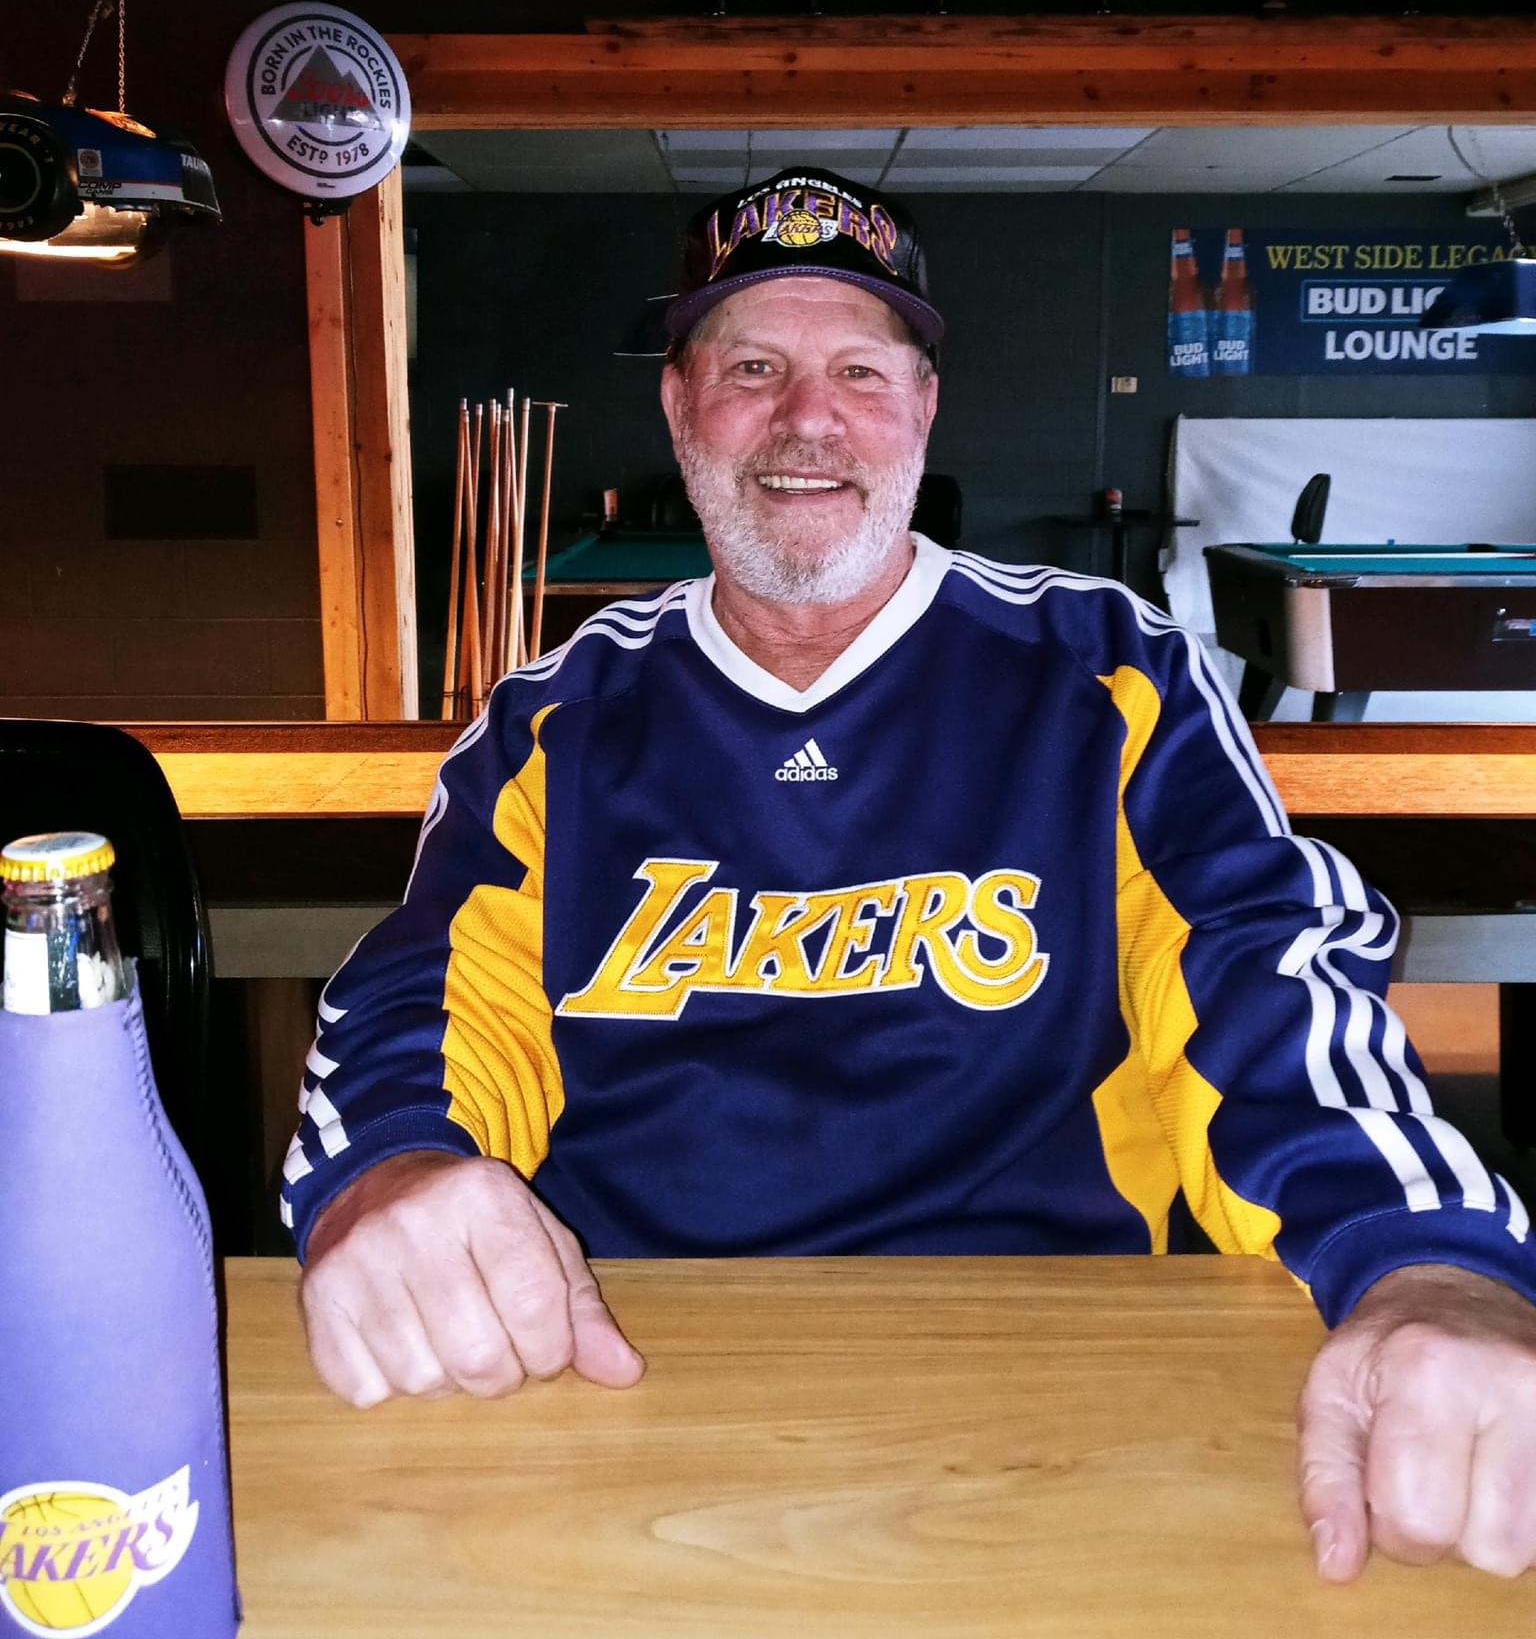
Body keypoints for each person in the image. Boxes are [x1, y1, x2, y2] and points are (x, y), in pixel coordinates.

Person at [285, 167, 1536, 1582]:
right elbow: (428, 1003)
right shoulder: (556, 717)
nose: (807, 419)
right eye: (752, 368)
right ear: (681, 409)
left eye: (859, 372)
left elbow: (1264, 978)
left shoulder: (1106, 672)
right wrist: (392, 1171)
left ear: (924, 410)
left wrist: (1421, 1258)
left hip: (1057, 1370)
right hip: (614, 1350)